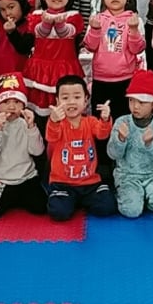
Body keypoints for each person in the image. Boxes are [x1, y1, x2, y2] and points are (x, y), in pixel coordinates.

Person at [45, 75, 117, 221]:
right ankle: (71, 201)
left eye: (77, 97)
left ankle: (78, 201)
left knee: (108, 206)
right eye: (65, 98)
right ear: (57, 101)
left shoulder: (90, 121)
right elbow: (51, 137)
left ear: (86, 100)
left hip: (90, 182)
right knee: (59, 212)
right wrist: (53, 120)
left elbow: (102, 134)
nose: (71, 102)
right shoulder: (57, 123)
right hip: (63, 183)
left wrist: (105, 119)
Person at [0, 72, 47, 220]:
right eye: (6, 102)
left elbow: (37, 151)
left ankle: (17, 198)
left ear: (23, 105)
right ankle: (10, 197)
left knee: (42, 207)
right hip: (2, 180)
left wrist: (32, 127)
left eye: (16, 102)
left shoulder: (26, 124)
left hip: (27, 178)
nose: (11, 106)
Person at [107, 70, 153, 218]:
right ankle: (129, 195)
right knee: (131, 211)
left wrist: (151, 144)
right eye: (131, 100)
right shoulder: (122, 122)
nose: (135, 106)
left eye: (141, 102)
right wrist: (120, 139)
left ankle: (143, 197)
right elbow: (112, 154)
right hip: (126, 176)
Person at [22, 0, 85, 119]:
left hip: (65, 67)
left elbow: (67, 33)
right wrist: (46, 22)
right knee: (40, 111)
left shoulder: (74, 16)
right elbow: (39, 33)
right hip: (41, 68)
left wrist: (60, 24)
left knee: (66, 109)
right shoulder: (37, 15)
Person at [84, 0, 145, 122]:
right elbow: (89, 46)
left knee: (123, 120)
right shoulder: (97, 19)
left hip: (125, 79)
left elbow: (137, 49)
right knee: (100, 120)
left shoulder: (134, 20)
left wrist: (134, 30)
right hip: (100, 79)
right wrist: (95, 30)